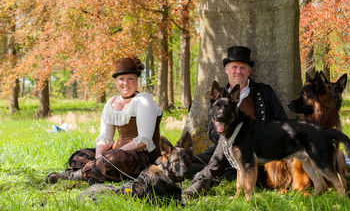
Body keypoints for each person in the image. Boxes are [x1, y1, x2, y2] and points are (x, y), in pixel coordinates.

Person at [184, 45, 288, 197]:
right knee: (188, 163)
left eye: (243, 67)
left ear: (249, 71)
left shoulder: (263, 92)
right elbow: (211, 133)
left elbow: (282, 123)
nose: (238, 71)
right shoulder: (219, 97)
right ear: (227, 69)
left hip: (254, 151)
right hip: (224, 151)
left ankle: (201, 183)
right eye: (234, 67)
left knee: (220, 161)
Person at [46, 57, 163, 185]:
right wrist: (99, 157)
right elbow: (105, 137)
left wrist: (113, 154)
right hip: (114, 154)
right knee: (79, 156)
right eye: (121, 79)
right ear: (116, 81)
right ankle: (97, 170)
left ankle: (75, 175)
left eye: (130, 78)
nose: (125, 83)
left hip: (142, 156)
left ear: (137, 80)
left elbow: (144, 139)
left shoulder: (144, 101)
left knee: (115, 159)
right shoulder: (112, 102)